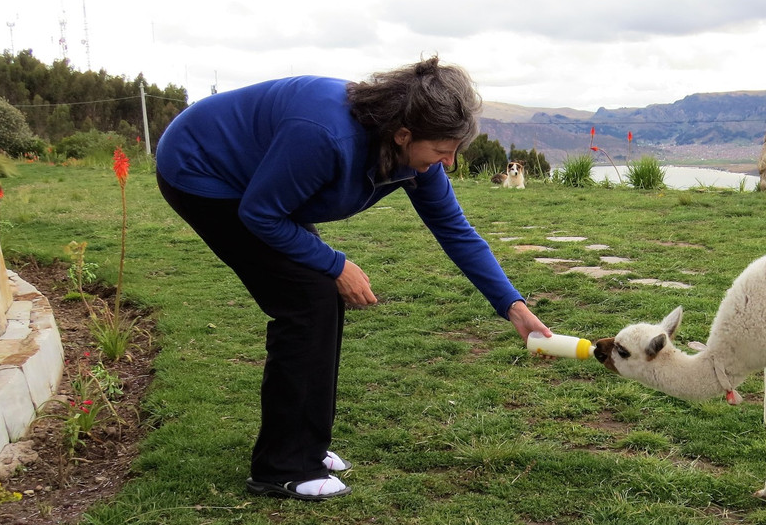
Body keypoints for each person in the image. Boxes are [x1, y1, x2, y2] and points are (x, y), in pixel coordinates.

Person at [155, 56, 551, 501]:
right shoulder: (325, 136)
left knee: (317, 296)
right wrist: (337, 264)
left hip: (257, 183)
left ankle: (306, 445)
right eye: (442, 149)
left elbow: (456, 231)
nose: (450, 162)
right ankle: (282, 466)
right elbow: (260, 214)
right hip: (202, 170)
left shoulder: (415, 158)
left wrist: (512, 306)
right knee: (308, 300)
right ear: (403, 135)